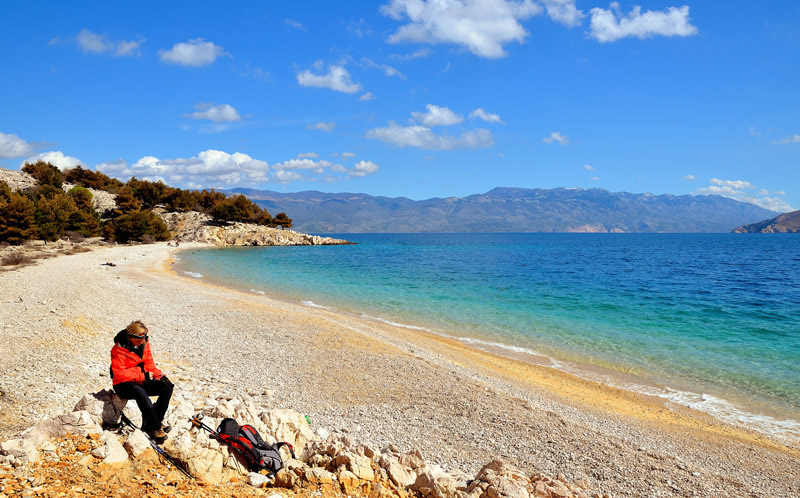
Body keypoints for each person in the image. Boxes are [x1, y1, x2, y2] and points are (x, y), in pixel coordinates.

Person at [111, 320, 174, 443]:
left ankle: (152, 423)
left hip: (140, 379)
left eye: (143, 339)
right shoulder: (118, 349)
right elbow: (119, 374)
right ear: (130, 337)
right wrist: (143, 375)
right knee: (140, 393)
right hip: (122, 384)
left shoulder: (144, 343)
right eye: (138, 340)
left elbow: (149, 362)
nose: (141, 342)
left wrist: (157, 374)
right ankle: (156, 427)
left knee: (167, 386)